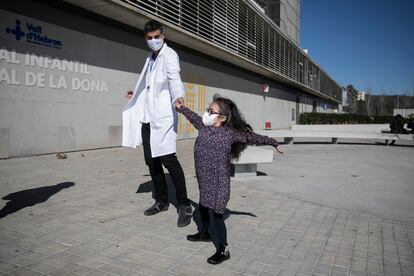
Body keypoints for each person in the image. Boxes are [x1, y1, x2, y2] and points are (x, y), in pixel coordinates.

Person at [175, 95, 283, 264]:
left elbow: (252, 137)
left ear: (222, 117)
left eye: (211, 111)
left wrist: (273, 142)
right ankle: (204, 233)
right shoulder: (203, 127)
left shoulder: (230, 134)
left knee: (217, 214)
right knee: (203, 205)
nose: (207, 113)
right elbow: (193, 117)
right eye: (207, 110)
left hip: (220, 182)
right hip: (204, 178)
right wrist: (181, 108)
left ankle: (223, 249)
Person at [122, 20, 192, 227]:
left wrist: (178, 96)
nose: (153, 41)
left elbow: (174, 79)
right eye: (149, 38)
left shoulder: (169, 55)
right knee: (151, 161)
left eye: (157, 37)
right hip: (148, 117)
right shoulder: (150, 57)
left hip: (163, 117)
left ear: (163, 36)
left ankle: (184, 204)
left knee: (169, 159)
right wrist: (135, 94)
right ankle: (161, 201)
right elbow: (150, 85)